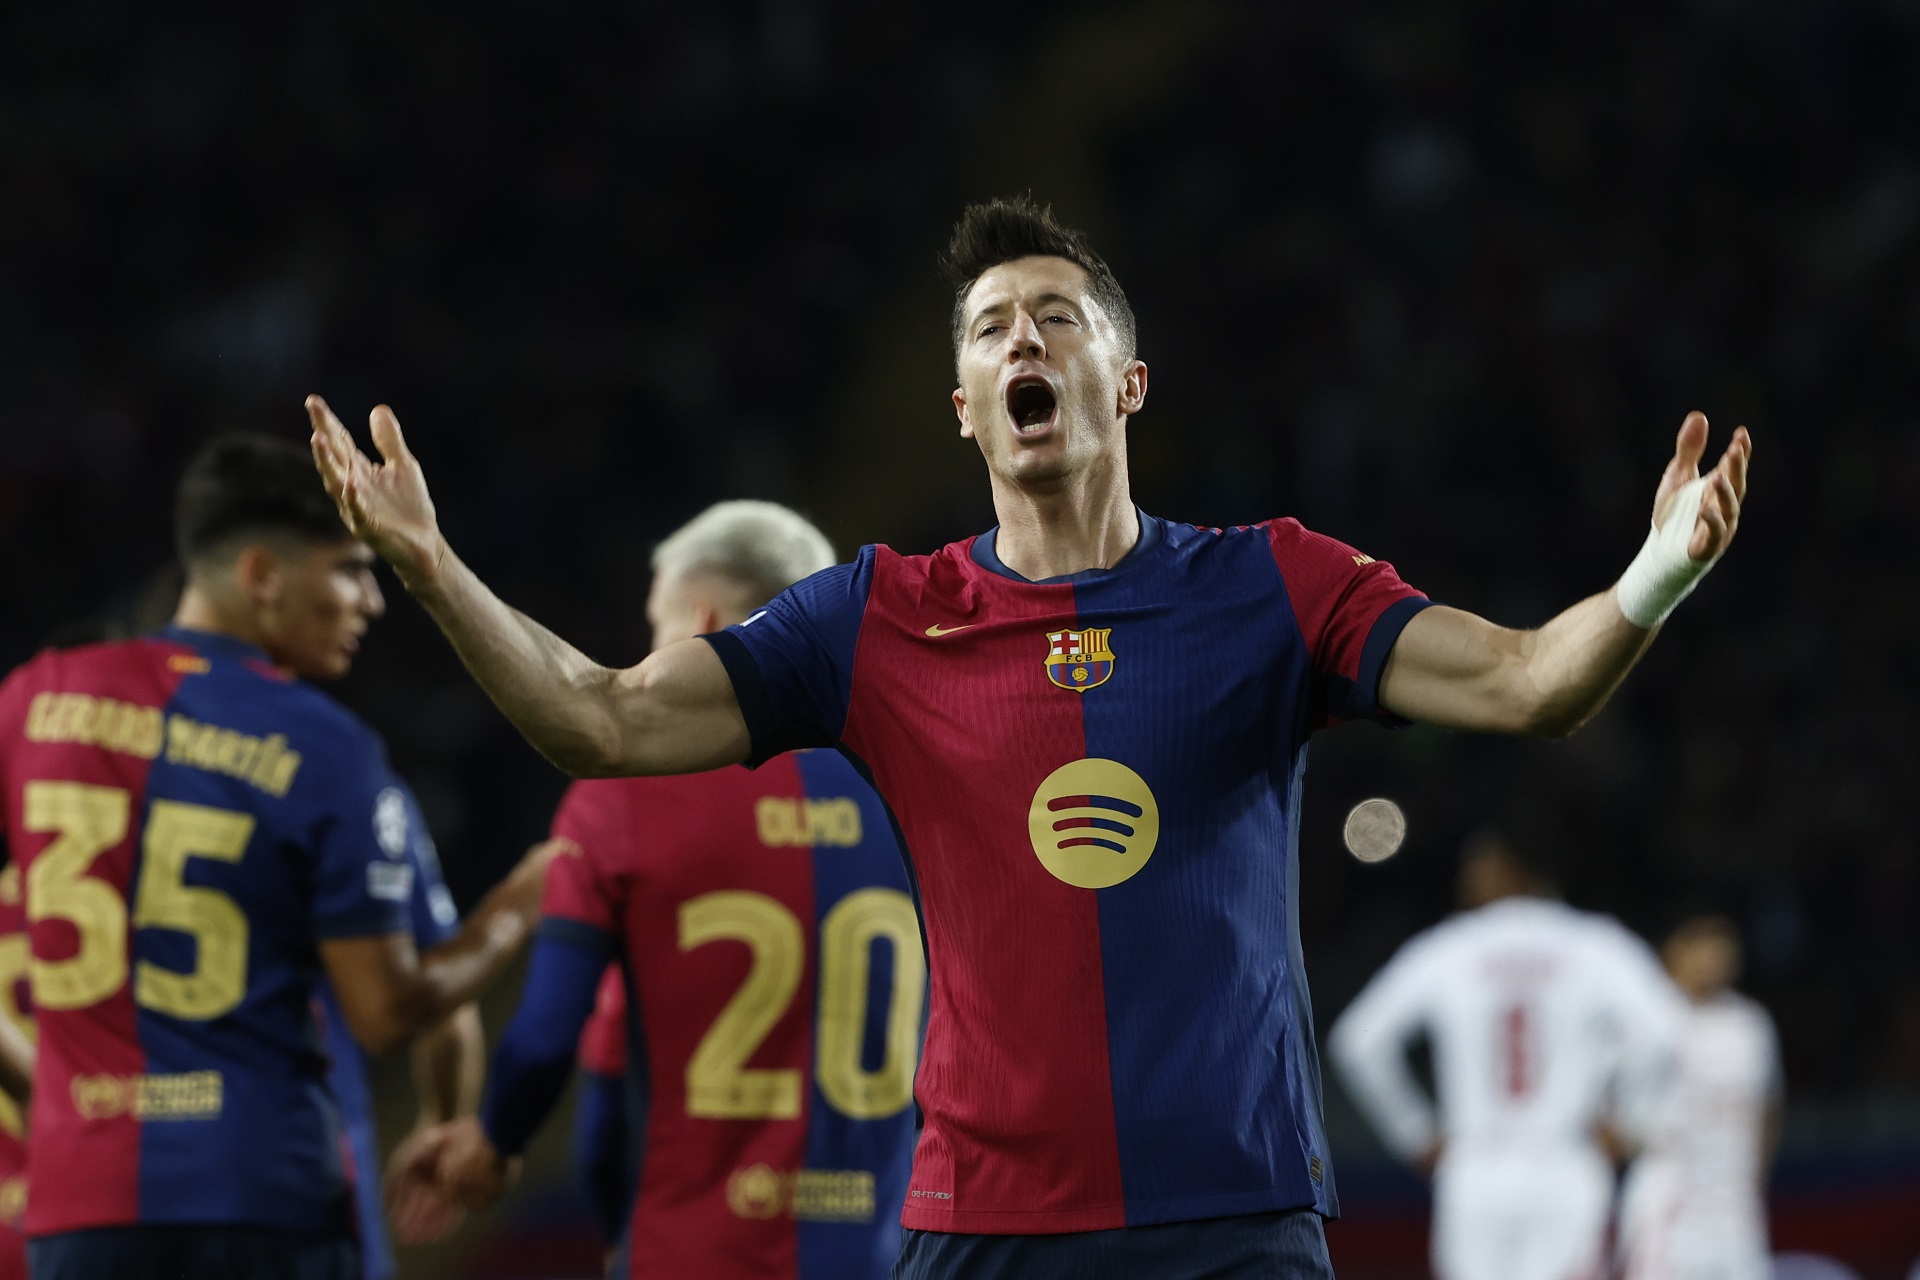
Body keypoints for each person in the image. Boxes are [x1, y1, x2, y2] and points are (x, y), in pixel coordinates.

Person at [308, 195, 1751, 1278]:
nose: (1022, 339)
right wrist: (433, 569)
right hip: (984, 1226)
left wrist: (1655, 576)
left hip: (1232, 1220)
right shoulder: (876, 616)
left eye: (1057, 316)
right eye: (992, 327)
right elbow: (603, 718)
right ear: (964, 410)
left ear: (1126, 382)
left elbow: (1525, 683)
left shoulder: (1271, 584)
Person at [0, 434, 558, 1280]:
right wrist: (520, 904)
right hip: (263, 1196)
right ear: (261, 574)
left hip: (82, 1208)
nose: (371, 601)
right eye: (349, 571)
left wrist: (58, 1101)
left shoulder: (36, 700)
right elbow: (391, 1014)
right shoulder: (323, 746)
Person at [391, 501, 925, 1280]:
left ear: (702, 619)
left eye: (657, 625)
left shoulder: (625, 795)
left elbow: (549, 1038)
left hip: (690, 1254)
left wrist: (495, 1143)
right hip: (887, 1258)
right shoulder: (912, 788)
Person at [1330, 832, 1688, 1280]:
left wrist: (1413, 1133)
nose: (1466, 878)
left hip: (1476, 1166)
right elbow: (1666, 1033)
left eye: (1480, 866)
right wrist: (1627, 1117)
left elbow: (1357, 1042)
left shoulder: (1451, 947)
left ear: (1519, 869)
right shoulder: (1591, 943)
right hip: (1565, 1162)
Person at [316, 784, 484, 1280]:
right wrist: (442, 1120)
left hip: (124, 1163)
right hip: (307, 1173)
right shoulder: (345, 780)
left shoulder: (120, 775)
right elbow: (446, 1013)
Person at [1617, 915, 1783, 1280]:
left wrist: (1752, 1181)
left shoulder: (1750, 1024)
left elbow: (1768, 1110)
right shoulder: (1644, 1017)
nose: (1714, 956)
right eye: (1700, 943)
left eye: (1722, 943)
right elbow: (1603, 1112)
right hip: (1668, 1209)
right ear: (1671, 949)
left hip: (1735, 1212)